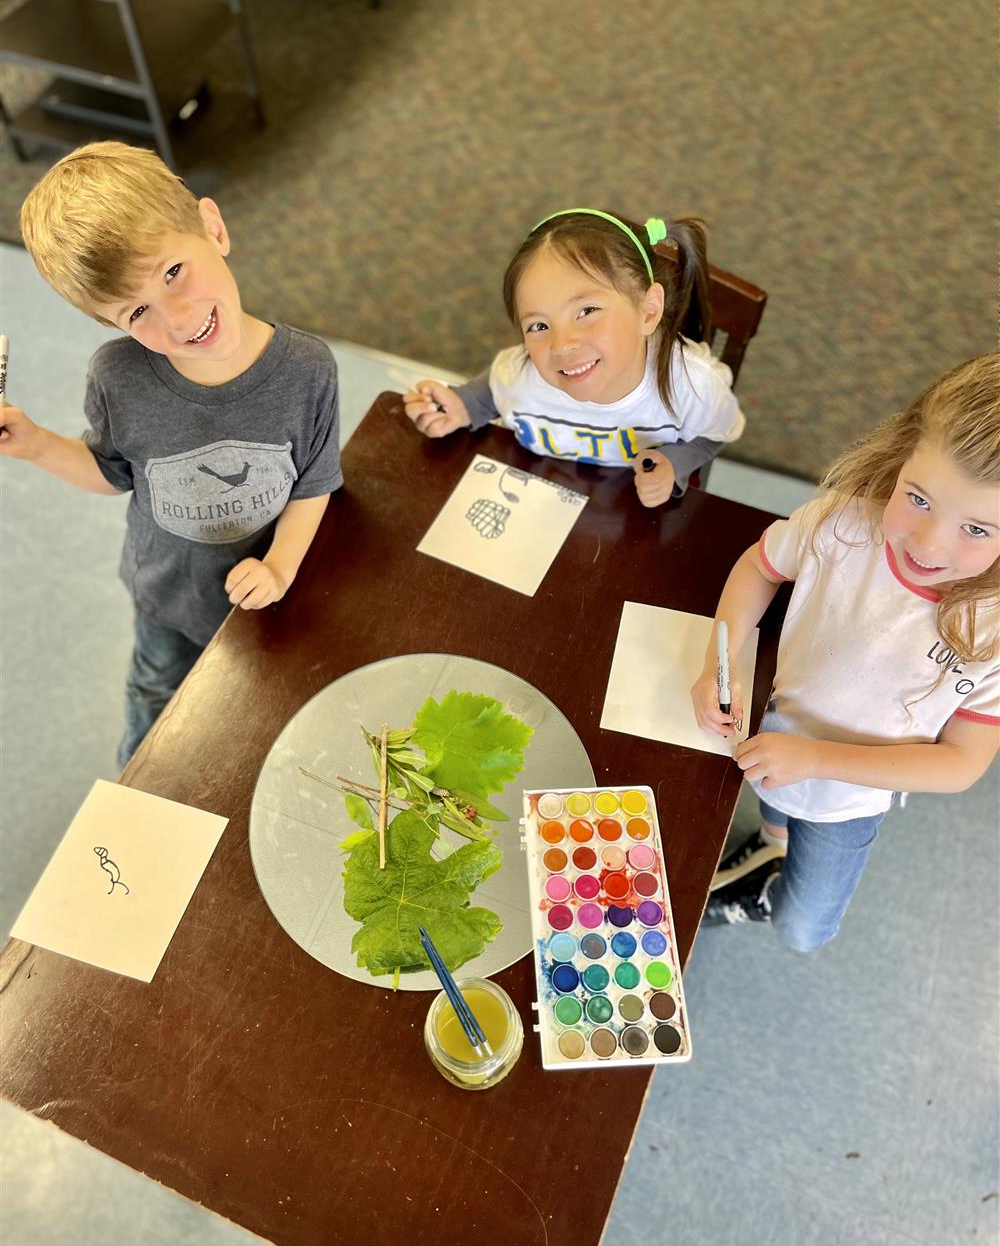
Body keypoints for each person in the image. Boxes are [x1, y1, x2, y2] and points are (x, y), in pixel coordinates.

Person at [2, 142, 342, 770]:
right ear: (112, 326)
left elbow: (313, 485)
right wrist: (36, 445)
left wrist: (281, 568)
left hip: (268, 587)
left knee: (258, 709)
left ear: (212, 227)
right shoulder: (116, 378)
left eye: (172, 272)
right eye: (138, 312)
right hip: (167, 595)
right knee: (154, 694)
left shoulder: (307, 370)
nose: (179, 317)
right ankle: (132, 793)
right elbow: (113, 473)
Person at [691, 354, 1000, 949]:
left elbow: (962, 763)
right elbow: (760, 566)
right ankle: (772, 845)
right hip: (774, 736)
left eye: (977, 530)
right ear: (900, 456)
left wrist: (814, 760)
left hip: (849, 797)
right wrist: (718, 662)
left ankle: (766, 893)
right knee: (774, 809)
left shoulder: (989, 632)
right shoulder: (840, 523)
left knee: (803, 928)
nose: (930, 542)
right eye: (918, 498)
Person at [403, 208, 744, 505]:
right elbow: (496, 388)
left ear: (649, 310)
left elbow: (716, 432)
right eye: (538, 325)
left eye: (587, 310)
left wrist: (675, 463)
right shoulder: (525, 375)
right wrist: (463, 406)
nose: (562, 344)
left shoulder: (693, 387)